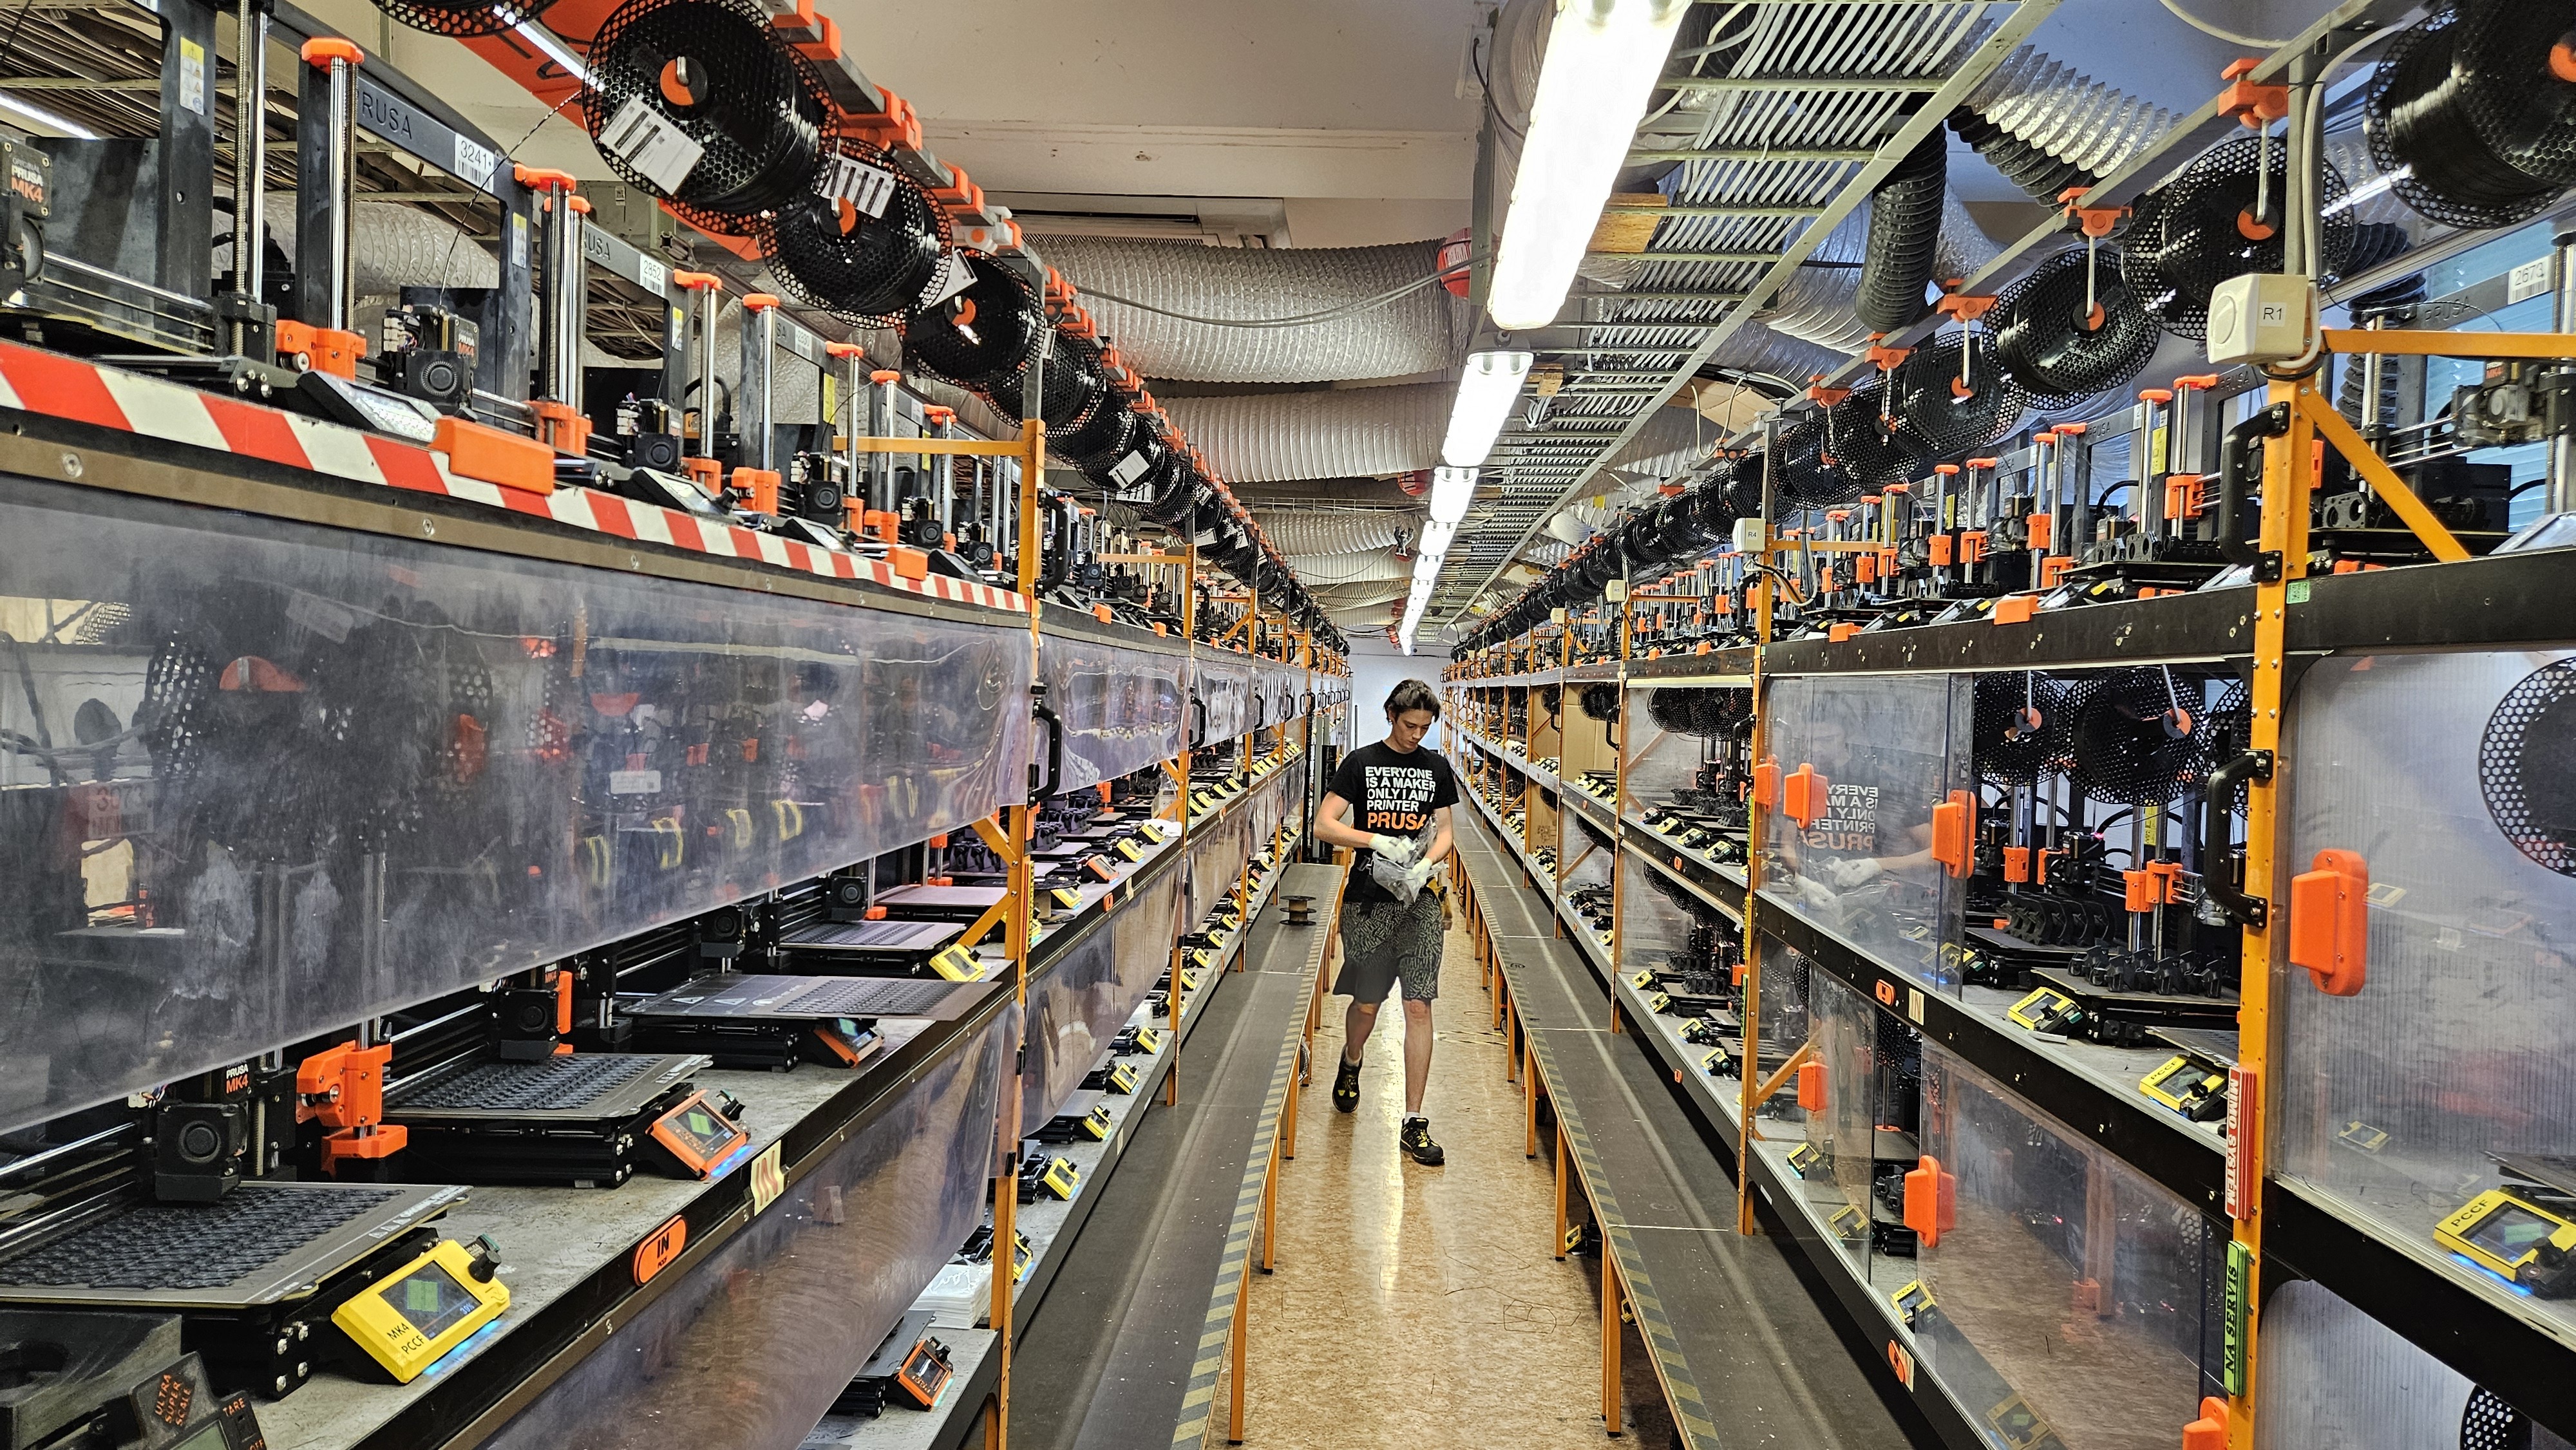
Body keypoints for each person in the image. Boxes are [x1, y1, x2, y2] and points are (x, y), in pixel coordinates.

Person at [1312, 678, 1458, 1165]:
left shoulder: (1436, 767)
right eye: (1409, 725)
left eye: (1425, 727)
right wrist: (1373, 841)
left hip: (1420, 902)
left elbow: (1446, 831)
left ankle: (1413, 1121)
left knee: (1418, 1006)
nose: (1416, 735)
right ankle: (1352, 1059)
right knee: (1368, 1005)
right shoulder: (1360, 763)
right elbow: (1324, 824)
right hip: (1369, 904)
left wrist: (1426, 864)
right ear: (1391, 714)